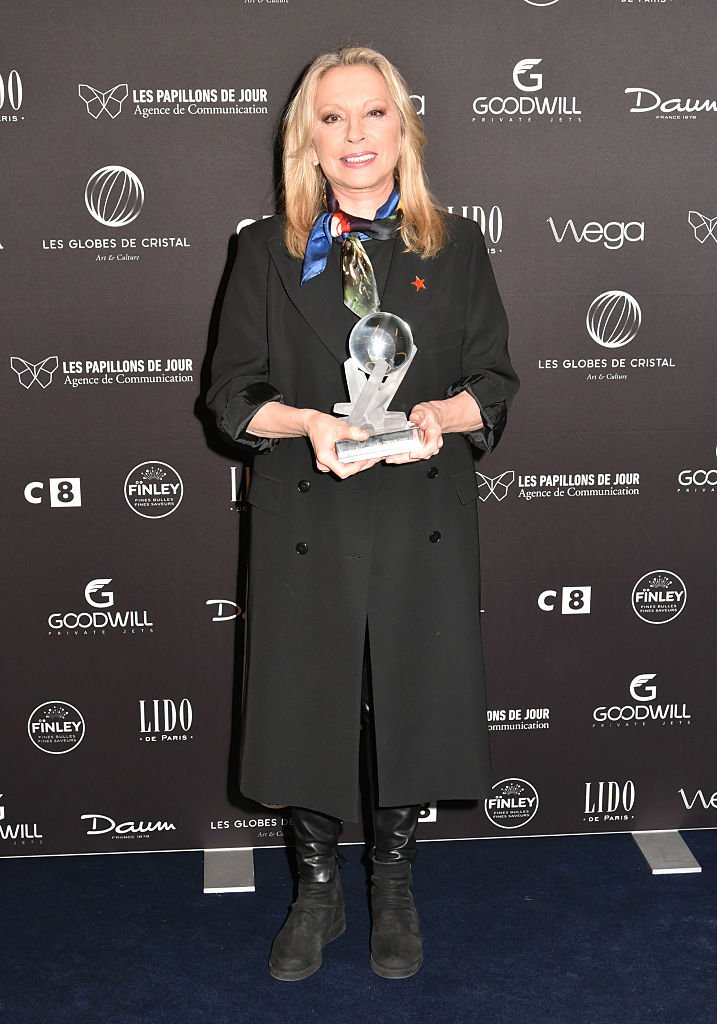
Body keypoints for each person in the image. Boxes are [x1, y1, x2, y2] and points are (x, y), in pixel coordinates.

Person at [206, 45, 519, 982]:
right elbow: (229, 398)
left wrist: (444, 412)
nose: (353, 136)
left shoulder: (455, 244)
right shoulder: (263, 249)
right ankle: (315, 887)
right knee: (306, 701)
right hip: (311, 509)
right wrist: (303, 422)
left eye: (371, 114)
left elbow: (493, 382)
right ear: (306, 136)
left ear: (402, 128)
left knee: (410, 701)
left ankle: (390, 879)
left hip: (420, 504)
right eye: (332, 118)